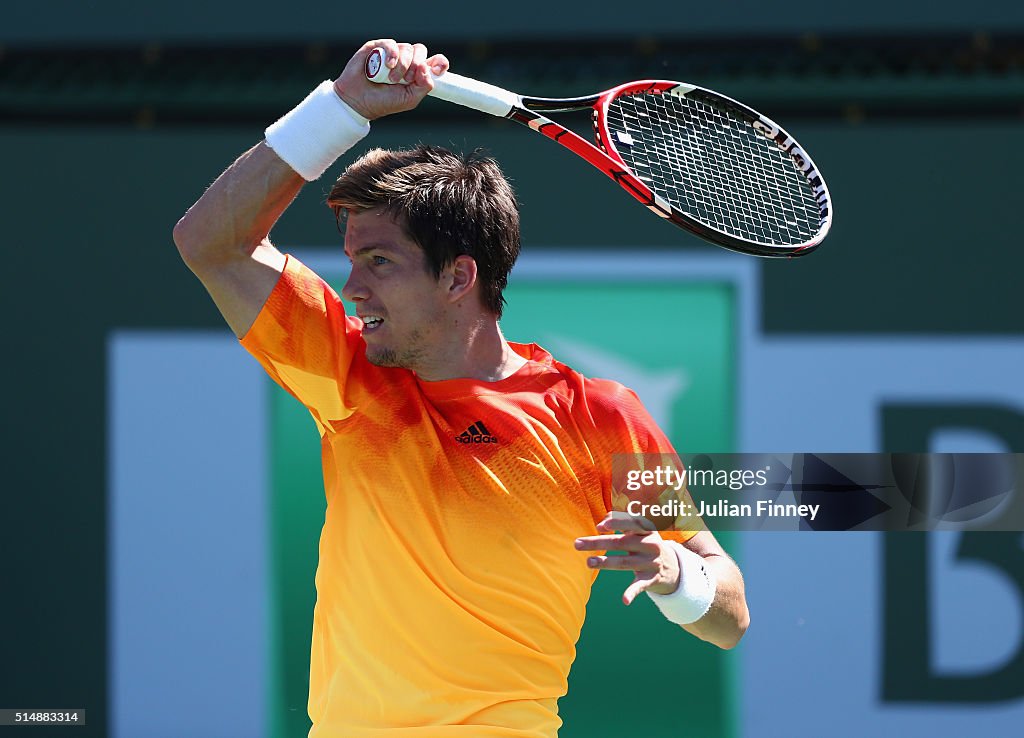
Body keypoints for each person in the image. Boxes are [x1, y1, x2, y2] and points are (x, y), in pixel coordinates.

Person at [174, 39, 749, 738]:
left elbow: (729, 617)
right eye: (352, 261)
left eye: (379, 262)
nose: (352, 289)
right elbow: (210, 241)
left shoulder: (598, 418)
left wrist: (673, 573)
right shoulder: (349, 376)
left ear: (457, 278)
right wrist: (343, 108)